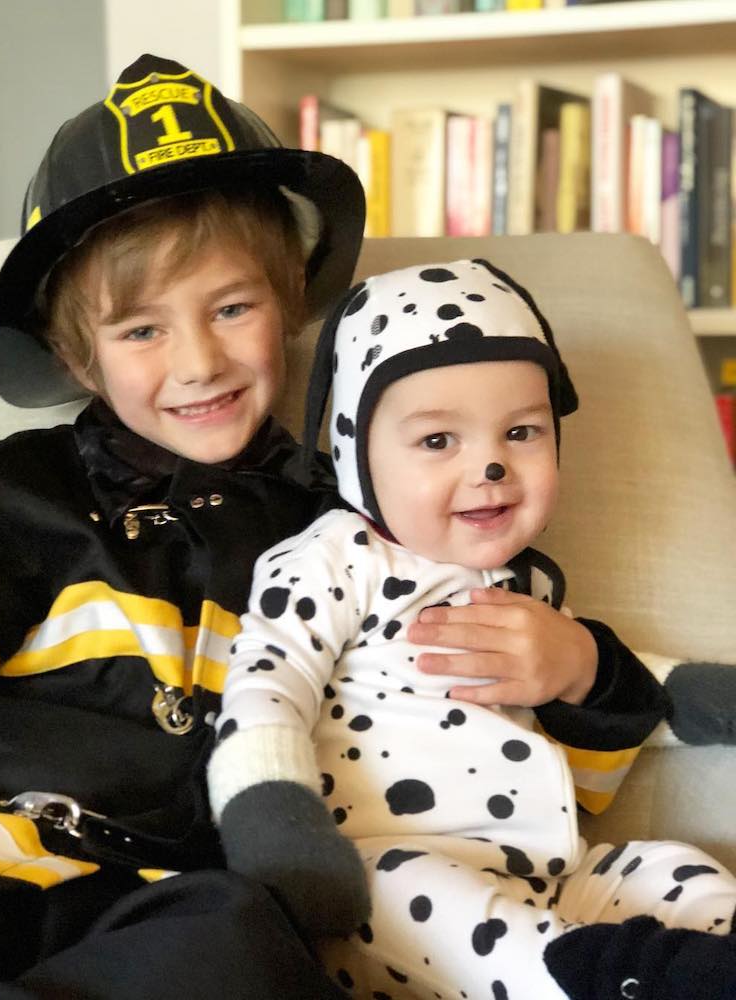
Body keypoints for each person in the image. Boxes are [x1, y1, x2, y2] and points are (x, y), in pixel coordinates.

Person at [0, 52, 370, 999]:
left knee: (247, 942)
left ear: (290, 304)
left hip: (141, 906)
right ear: (76, 357)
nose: (200, 360)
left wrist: (578, 672)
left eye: (232, 307)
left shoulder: (340, 527)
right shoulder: (7, 491)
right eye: (141, 329)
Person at [208, 258, 736, 1000]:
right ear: (357, 451)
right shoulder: (333, 560)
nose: (490, 464)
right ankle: (627, 980)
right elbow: (269, 682)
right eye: (436, 442)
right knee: (408, 892)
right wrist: (274, 824)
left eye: (521, 432)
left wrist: (639, 680)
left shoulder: (529, 587)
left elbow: (627, 691)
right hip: (387, 882)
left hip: (552, 880)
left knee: (682, 873)